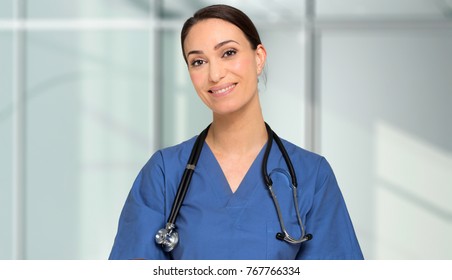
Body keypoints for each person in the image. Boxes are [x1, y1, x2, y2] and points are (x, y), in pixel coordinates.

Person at [109, 4, 363, 260]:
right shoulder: (164, 173)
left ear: (259, 58)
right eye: (198, 61)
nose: (215, 74)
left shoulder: (312, 175)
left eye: (228, 53)